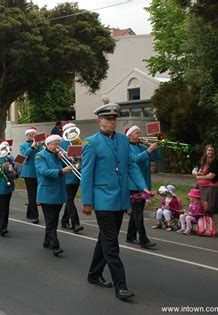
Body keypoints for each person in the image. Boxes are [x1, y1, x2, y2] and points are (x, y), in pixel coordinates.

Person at [81, 103, 148, 300]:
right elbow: (86, 175)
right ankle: (121, 285)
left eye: (114, 119)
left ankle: (94, 274)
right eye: (107, 119)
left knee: (106, 238)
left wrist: (143, 186)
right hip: (102, 200)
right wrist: (87, 201)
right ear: (99, 121)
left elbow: (132, 165)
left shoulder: (123, 140)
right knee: (112, 243)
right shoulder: (90, 143)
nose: (111, 122)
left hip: (120, 198)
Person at [36, 134, 72, 256]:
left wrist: (64, 158)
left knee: (54, 220)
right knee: (51, 220)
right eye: (55, 144)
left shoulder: (58, 156)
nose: (57, 147)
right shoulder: (40, 156)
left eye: (58, 144)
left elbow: (70, 164)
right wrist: (61, 171)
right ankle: (55, 245)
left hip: (59, 193)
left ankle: (47, 241)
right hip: (47, 194)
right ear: (48, 144)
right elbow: (44, 171)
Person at [125, 125, 159, 248]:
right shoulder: (126, 147)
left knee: (136, 212)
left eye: (139, 133)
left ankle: (130, 236)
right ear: (129, 135)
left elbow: (157, 158)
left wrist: (153, 148)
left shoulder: (142, 147)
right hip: (133, 185)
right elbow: (134, 160)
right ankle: (143, 240)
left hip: (144, 183)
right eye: (136, 133)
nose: (139, 135)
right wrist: (148, 150)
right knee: (138, 213)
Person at [0, 141, 18, 236]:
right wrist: (1, 167)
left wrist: (14, 172)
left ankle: (5, 225)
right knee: (1, 209)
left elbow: (16, 173)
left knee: (6, 207)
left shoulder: (10, 158)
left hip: (8, 186)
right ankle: (2, 227)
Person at [59, 123, 84, 234]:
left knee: (70, 200)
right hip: (67, 175)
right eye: (69, 130)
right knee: (69, 200)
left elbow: (88, 151)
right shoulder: (61, 143)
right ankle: (75, 224)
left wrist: (81, 155)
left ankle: (64, 221)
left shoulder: (80, 141)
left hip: (77, 173)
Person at [192, 144, 218, 226]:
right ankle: (203, 227)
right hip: (200, 188)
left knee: (212, 209)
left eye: (212, 150)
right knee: (201, 207)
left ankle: (213, 228)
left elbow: (210, 176)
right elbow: (194, 170)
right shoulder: (202, 160)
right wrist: (196, 173)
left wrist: (199, 177)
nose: (210, 152)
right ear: (206, 151)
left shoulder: (215, 162)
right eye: (209, 150)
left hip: (211, 188)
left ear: (214, 152)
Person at [19, 127, 40, 224]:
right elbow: (23, 157)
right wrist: (31, 147)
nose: (32, 136)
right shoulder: (23, 145)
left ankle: (29, 212)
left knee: (36, 194)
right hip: (28, 172)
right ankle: (35, 216)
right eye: (30, 134)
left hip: (38, 172)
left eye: (34, 134)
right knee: (32, 195)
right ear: (27, 135)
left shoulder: (39, 145)